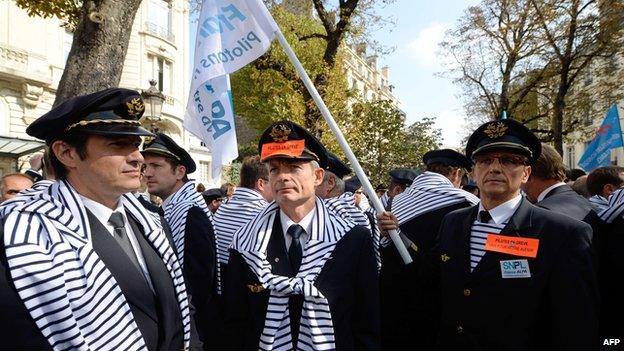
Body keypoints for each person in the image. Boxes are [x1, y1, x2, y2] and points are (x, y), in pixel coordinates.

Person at [0, 88, 195, 350]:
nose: (138, 157)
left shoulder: (151, 220)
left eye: (136, 145)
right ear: (67, 153)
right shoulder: (22, 234)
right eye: (118, 144)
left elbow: (180, 304)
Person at [433, 119, 598, 350]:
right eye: (485, 160)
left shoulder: (563, 233)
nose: (495, 168)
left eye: (509, 160)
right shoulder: (452, 222)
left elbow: (575, 324)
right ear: (474, 171)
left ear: (526, 173)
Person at [224, 120, 380, 350]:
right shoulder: (245, 242)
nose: (283, 176)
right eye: (275, 169)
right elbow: (235, 323)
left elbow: (367, 323)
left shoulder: (352, 239)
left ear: (318, 177)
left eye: (294, 167)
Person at [378, 149, 479, 350]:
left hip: (394, 299)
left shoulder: (390, 202)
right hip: (437, 299)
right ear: (456, 174)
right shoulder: (467, 203)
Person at [142, 132, 217, 347]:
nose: (147, 173)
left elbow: (198, 280)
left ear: (180, 172)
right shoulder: (176, 207)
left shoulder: (189, 211)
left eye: (156, 166)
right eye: (146, 166)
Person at [213, 156, 272, 289]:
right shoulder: (264, 213)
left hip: (217, 288)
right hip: (244, 291)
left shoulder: (224, 206)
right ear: (261, 184)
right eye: (273, 179)